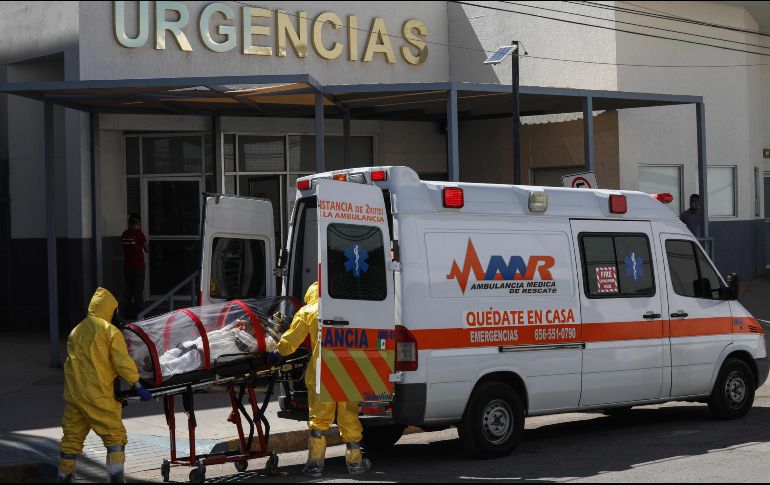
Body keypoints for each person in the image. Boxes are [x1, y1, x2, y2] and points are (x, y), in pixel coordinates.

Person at [268, 282, 371, 478]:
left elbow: (291, 340)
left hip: (321, 372)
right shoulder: (349, 306)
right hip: (349, 370)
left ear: (311, 294)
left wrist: (278, 353)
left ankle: (315, 465)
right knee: (349, 418)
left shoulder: (308, 310)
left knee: (319, 420)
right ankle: (355, 463)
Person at [58, 288, 152, 483]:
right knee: (115, 437)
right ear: (109, 309)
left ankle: (65, 477)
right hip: (98, 395)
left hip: (75, 396)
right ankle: (115, 478)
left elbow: (70, 363)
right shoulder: (110, 332)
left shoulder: (76, 330)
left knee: (71, 439)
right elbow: (122, 362)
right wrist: (136, 384)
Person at [121, 214, 149, 320]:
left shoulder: (124, 234)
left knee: (128, 290)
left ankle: (127, 313)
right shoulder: (139, 234)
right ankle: (139, 314)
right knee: (138, 291)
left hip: (127, 266)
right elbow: (146, 249)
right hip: (138, 267)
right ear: (137, 223)